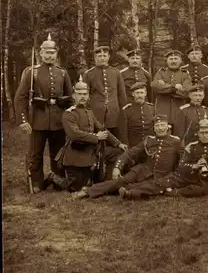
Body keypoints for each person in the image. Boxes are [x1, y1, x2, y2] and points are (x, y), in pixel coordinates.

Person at [119, 118, 208, 199]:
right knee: (162, 182)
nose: (204, 135)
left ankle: (173, 192)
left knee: (200, 190)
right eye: (202, 132)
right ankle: (130, 192)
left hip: (204, 180)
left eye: (207, 132)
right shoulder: (191, 146)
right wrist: (194, 166)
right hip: (185, 176)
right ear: (197, 133)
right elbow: (182, 166)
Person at [14, 34, 73, 193]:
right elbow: (21, 98)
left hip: (58, 121)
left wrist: (70, 119)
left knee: (58, 153)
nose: (50, 55)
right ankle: (37, 182)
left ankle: (58, 180)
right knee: (35, 153)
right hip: (37, 120)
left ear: (56, 54)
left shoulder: (62, 73)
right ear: (41, 54)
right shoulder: (32, 73)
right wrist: (23, 120)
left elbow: (70, 99)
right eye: (46, 53)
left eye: (52, 53)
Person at [72, 114, 181, 199]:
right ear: (154, 128)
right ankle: (87, 192)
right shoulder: (149, 140)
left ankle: (125, 192)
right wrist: (117, 167)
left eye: (162, 125)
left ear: (168, 126)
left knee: (140, 187)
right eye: (157, 125)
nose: (160, 128)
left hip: (160, 176)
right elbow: (130, 153)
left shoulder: (176, 142)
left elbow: (181, 161)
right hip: (142, 170)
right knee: (119, 181)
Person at [53, 77, 127, 192]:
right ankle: (52, 177)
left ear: (88, 96)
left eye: (85, 94)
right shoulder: (69, 114)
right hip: (76, 154)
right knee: (75, 188)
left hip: (91, 152)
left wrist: (118, 144)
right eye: (79, 94)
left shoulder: (89, 112)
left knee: (118, 152)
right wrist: (96, 137)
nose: (82, 97)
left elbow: (102, 129)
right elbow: (75, 134)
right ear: (73, 96)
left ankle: (107, 180)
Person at [82, 45, 128, 137]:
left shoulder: (116, 73)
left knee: (115, 139)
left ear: (108, 57)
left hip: (114, 112)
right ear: (95, 58)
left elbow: (121, 94)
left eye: (104, 56)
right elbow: (84, 95)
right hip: (96, 112)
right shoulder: (89, 74)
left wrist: (123, 110)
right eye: (99, 56)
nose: (102, 58)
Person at [151, 50, 192, 121]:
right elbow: (154, 86)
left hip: (179, 110)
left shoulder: (185, 74)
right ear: (167, 61)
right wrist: (175, 88)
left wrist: (165, 86)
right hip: (163, 110)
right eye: (171, 59)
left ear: (180, 61)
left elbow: (187, 92)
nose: (173, 61)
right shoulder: (161, 72)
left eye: (176, 59)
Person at [117, 82, 155, 149]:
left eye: (141, 93)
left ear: (145, 94)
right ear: (133, 94)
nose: (139, 95)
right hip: (133, 145)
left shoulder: (152, 108)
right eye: (137, 93)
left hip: (150, 144)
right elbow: (123, 132)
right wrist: (126, 145)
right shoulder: (126, 110)